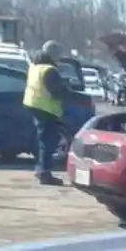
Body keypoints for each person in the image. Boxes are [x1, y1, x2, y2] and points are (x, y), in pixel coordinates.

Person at [23, 40, 85, 185]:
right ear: (54, 54)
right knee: (48, 142)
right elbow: (57, 92)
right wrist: (72, 95)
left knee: (43, 140)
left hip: (34, 105)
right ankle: (44, 173)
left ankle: (41, 169)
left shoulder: (35, 66)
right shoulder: (50, 70)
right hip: (46, 108)